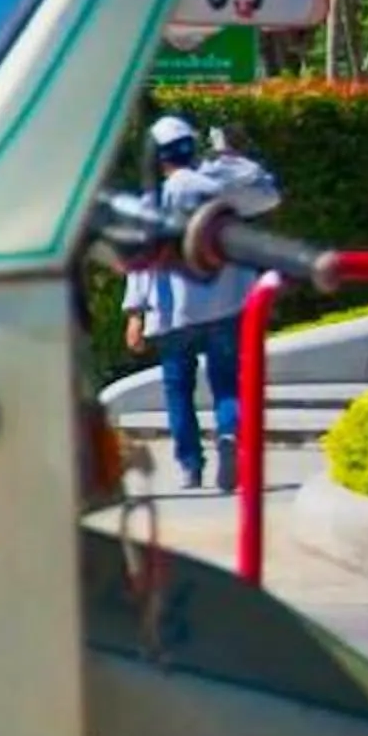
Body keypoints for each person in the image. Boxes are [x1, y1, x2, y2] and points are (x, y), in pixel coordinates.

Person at [124, 113, 280, 494]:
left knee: (178, 392)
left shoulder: (151, 202)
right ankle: (229, 436)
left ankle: (190, 467)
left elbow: (139, 264)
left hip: (173, 315)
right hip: (226, 307)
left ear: (157, 158)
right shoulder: (221, 187)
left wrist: (134, 314)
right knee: (227, 384)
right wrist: (227, 155)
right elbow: (268, 191)